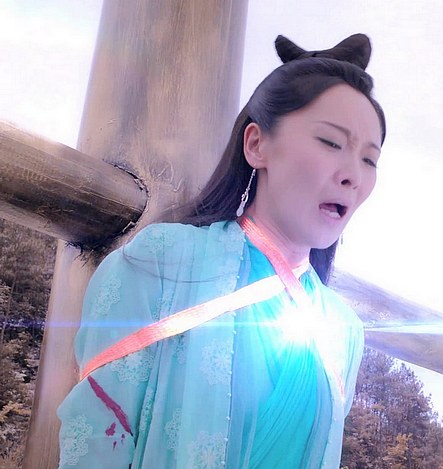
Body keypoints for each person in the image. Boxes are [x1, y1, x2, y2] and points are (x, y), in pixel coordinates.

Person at [56, 33, 386, 468]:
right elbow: (97, 436)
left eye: (369, 159)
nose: (353, 175)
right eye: (330, 142)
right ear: (256, 144)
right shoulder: (161, 261)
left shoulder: (343, 329)